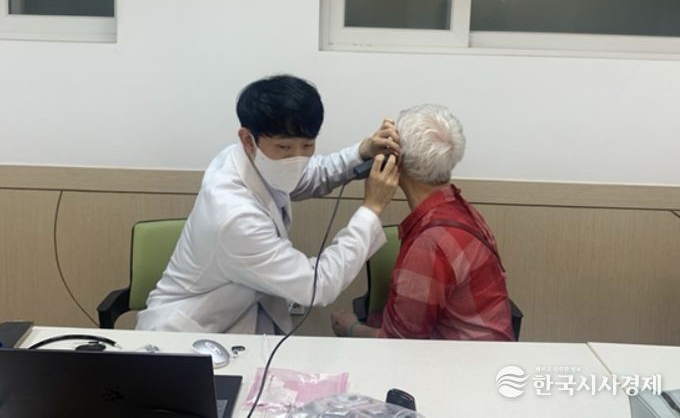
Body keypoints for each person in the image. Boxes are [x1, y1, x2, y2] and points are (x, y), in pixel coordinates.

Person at [136, 75, 400, 334]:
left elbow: (308, 176)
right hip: (185, 335)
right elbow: (316, 285)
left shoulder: (250, 160)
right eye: (284, 147)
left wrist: (363, 151)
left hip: (233, 318)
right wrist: (371, 210)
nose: (297, 158)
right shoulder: (234, 216)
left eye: (308, 145)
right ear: (247, 139)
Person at [331, 104, 514, 341]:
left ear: (396, 159)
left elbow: (400, 342)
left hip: (457, 360)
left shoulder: (430, 242)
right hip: (487, 351)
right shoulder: (460, 209)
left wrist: (350, 328)